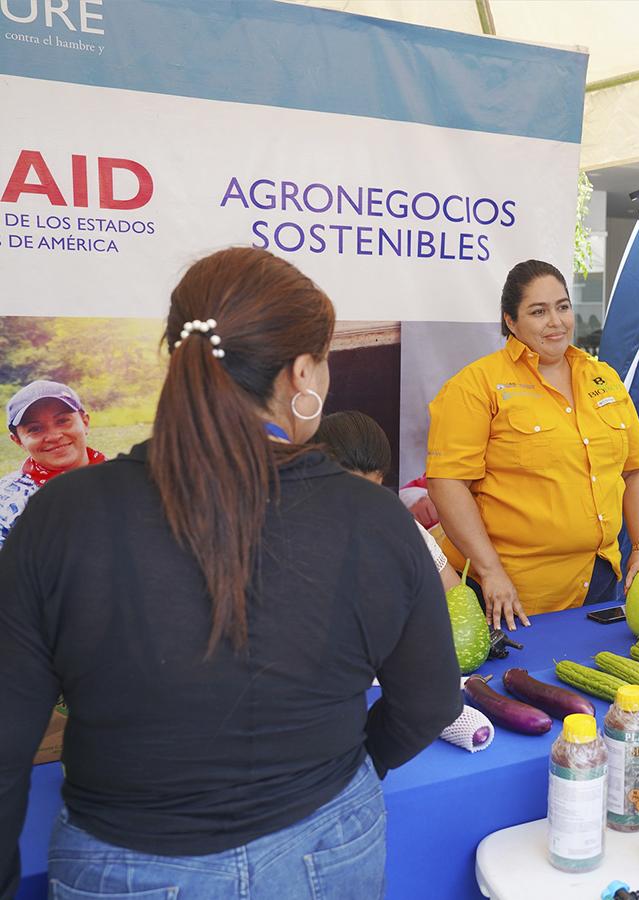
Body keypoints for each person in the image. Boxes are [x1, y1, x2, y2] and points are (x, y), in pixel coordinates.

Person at [0, 247, 462, 899]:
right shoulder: (371, 515)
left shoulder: (63, 515)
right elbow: (431, 703)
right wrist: (341, 769)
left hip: (129, 865)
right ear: (303, 371)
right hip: (329, 846)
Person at [427, 259, 639, 630]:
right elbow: (447, 484)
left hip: (596, 584)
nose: (556, 321)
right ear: (510, 321)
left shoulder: (603, 378)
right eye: (538, 311)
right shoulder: (476, 385)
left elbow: (638, 468)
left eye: (562, 307)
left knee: (587, 683)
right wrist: (490, 572)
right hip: (508, 595)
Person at [313, 410, 458, 593]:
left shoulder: (403, 529)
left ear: (381, 479)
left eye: (370, 492)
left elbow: (453, 592)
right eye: (347, 491)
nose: (359, 505)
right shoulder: (296, 530)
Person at [0, 380, 105, 549]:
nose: (54, 436)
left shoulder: (129, 480)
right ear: (18, 440)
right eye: (35, 429)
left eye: (63, 421)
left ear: (84, 422)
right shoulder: (5, 502)